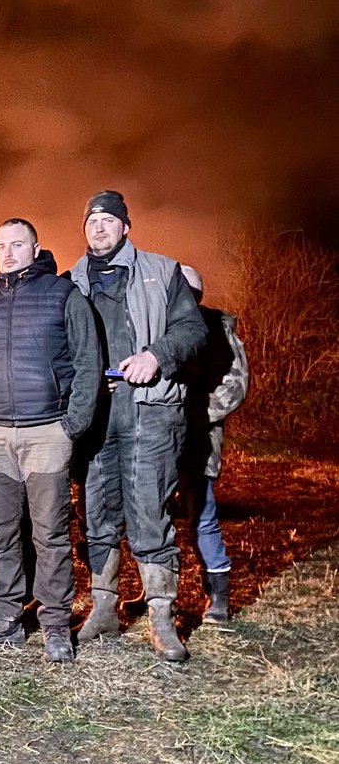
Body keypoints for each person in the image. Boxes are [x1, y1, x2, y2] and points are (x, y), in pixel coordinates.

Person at [0, 221, 100, 661]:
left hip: (46, 432)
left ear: (35, 247)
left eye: (17, 244)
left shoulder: (63, 295)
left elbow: (88, 362)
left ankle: (55, 624)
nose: (8, 252)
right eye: (0, 245)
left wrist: (71, 425)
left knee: (51, 534)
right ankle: (7, 617)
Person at [70, 191, 207, 662]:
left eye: (109, 220)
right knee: (97, 511)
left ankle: (161, 616)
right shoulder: (72, 280)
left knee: (149, 510)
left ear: (126, 227)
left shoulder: (163, 271)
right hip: (98, 416)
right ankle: (104, 607)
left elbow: (193, 331)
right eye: (92, 221)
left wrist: (155, 356)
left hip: (149, 409)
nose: (100, 228)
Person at [177, 264, 249, 624]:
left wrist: (191, 414)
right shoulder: (163, 326)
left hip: (198, 440)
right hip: (158, 438)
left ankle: (218, 597)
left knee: (201, 518)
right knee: (153, 519)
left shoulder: (217, 330)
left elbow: (235, 387)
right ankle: (155, 595)